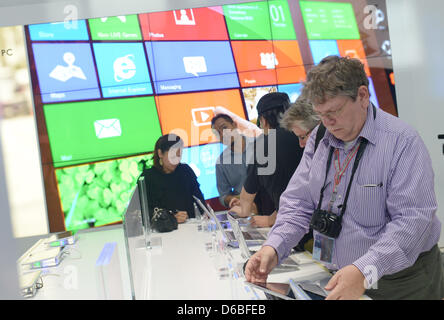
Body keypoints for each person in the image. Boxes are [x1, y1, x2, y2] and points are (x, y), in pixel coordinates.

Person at [245, 55, 444, 300]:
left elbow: (413, 220)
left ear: (362, 96)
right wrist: (274, 247)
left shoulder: (401, 142)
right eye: (321, 114)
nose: (327, 122)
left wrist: (363, 270)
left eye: (334, 111)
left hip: (400, 281)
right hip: (340, 274)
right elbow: (298, 202)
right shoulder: (320, 137)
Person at [239, 92, 305, 228]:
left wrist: (240, 210)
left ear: (263, 120)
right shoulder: (306, 135)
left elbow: (246, 203)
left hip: (290, 226)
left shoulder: (264, 145)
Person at [211, 114, 275, 215]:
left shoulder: (260, 144)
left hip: (272, 204)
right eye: (218, 133)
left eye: (224, 128)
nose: (223, 134)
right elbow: (223, 196)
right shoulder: (221, 162)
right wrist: (232, 200)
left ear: (235, 125)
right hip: (246, 211)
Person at [141, 133, 205, 224]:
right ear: (160, 153)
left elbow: (199, 200)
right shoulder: (147, 177)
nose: (176, 161)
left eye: (179, 156)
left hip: (190, 226)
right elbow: (144, 212)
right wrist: (171, 218)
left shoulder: (186, 170)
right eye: (172, 156)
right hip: (163, 231)